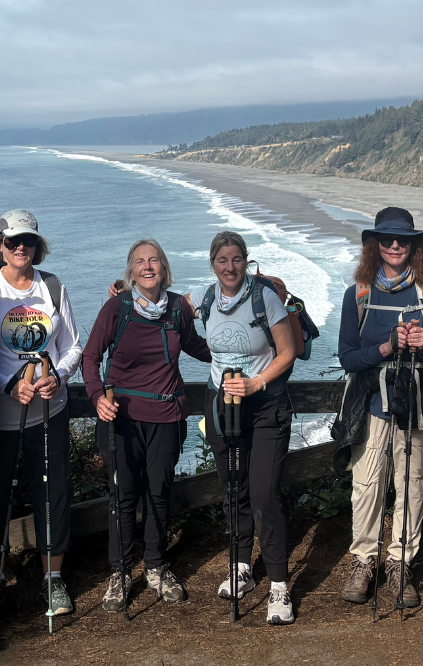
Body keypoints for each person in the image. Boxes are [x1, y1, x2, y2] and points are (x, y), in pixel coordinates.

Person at [335, 208, 423, 611]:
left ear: (414, 246)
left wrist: (422, 348)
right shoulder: (359, 294)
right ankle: (364, 560)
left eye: (402, 240)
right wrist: (386, 349)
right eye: (385, 240)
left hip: (421, 401)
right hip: (372, 402)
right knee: (367, 483)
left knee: (412, 483)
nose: (393, 246)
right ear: (374, 245)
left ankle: (400, 563)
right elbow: (348, 358)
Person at [81, 238, 211, 613]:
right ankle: (120, 573)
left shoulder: (175, 309)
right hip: (121, 419)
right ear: (131, 270)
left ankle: (155, 567)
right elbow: (91, 357)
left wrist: (243, 348)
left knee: (159, 493)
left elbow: (197, 347)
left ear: (164, 267)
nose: (148, 266)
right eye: (140, 261)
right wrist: (96, 397)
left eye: (154, 260)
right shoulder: (117, 307)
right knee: (123, 497)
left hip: (167, 416)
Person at [0, 210, 82, 620]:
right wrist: (9, 384)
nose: (21, 247)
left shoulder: (52, 287)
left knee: (52, 492)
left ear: (38, 247)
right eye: (13, 241)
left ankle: (53, 579)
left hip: (49, 412)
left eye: (29, 241)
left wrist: (57, 374)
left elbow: (73, 346)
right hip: (1, 418)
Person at [190, 231, 299, 625]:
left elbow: (287, 352)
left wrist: (257, 383)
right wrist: (125, 293)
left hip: (265, 405)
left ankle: (279, 586)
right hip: (221, 406)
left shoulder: (263, 297)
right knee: (233, 488)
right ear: (213, 264)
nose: (229, 267)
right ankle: (240, 567)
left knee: (265, 496)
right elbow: (168, 306)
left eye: (236, 259)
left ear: (246, 261)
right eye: (222, 260)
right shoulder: (205, 298)